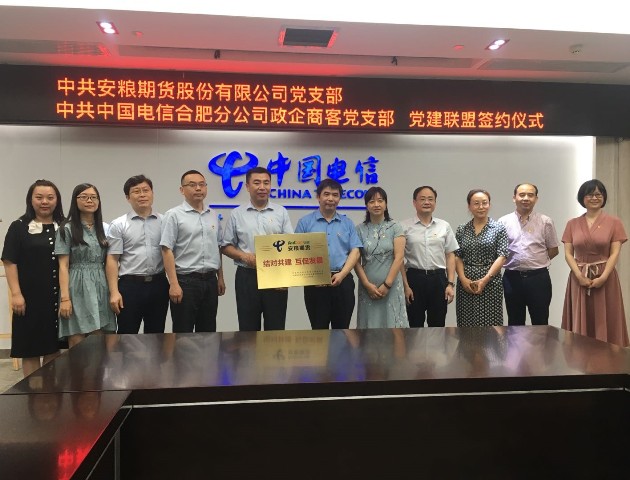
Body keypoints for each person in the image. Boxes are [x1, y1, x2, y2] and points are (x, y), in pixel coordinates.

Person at [2, 180, 65, 377]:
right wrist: (16, 294)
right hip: (29, 298)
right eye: (39, 197)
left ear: (57, 200)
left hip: (57, 298)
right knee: (30, 347)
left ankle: (51, 390)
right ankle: (32, 390)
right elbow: (9, 261)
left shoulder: (64, 226)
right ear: (30, 200)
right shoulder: (19, 227)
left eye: (50, 197)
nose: (44, 201)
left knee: (53, 346)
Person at [220, 167, 293, 331]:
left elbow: (290, 244)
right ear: (247, 186)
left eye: (266, 183)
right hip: (247, 276)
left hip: (276, 275)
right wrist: (243, 256)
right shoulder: (237, 214)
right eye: (257, 183)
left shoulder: (281, 212)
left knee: (275, 328)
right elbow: (225, 246)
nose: (262, 187)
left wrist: (286, 278)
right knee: (248, 329)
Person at [561, 179, 628, 346]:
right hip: (579, 277)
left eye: (598, 194)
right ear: (582, 198)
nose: (594, 198)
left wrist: (603, 277)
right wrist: (579, 276)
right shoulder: (572, 224)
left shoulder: (614, 222)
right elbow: (568, 254)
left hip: (606, 276)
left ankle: (609, 356)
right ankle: (580, 353)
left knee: (607, 314)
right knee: (580, 316)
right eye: (590, 194)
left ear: (604, 197)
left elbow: (615, 253)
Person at [160, 170, 225, 333]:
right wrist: (174, 284)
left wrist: (220, 278)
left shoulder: (213, 215)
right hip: (185, 282)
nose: (198, 188)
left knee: (208, 332)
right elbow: (166, 250)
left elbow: (217, 247)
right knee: (183, 334)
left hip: (210, 281)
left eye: (202, 184)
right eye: (192, 185)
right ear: (182, 190)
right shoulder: (173, 215)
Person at [295, 178, 362, 329]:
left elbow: (355, 251)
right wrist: (314, 276)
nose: (330, 198)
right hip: (315, 285)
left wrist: (342, 274)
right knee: (319, 331)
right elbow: (297, 253)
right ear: (318, 197)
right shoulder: (305, 222)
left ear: (339, 198)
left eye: (335, 195)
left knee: (342, 330)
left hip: (342, 281)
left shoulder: (347, 223)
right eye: (326, 194)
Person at [106, 175, 169, 334]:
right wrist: (114, 292)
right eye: (136, 191)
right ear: (128, 197)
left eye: (145, 190)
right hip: (130, 287)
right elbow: (112, 259)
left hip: (158, 284)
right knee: (126, 336)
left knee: (156, 335)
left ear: (152, 194)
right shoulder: (119, 224)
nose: (142, 195)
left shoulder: (165, 222)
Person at [55, 183, 117, 347]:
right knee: (77, 336)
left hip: (101, 283)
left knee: (100, 336)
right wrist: (65, 298)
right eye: (84, 197)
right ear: (75, 200)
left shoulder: (105, 228)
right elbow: (63, 266)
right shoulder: (66, 229)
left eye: (93, 197)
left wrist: (113, 291)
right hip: (76, 285)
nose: (89, 200)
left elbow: (111, 261)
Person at [499, 183, 559, 326]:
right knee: (515, 322)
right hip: (512, 278)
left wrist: (535, 261)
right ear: (514, 198)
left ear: (536, 199)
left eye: (530, 195)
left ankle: (541, 344)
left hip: (538, 278)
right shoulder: (503, 222)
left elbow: (553, 249)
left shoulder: (545, 221)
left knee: (540, 322)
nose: (526, 198)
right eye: (522, 195)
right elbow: (500, 251)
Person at [400, 186, 458, 327]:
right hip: (414, 279)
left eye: (430, 199)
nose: (427, 202)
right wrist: (405, 286)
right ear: (414, 202)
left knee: (437, 325)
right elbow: (399, 259)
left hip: (438, 279)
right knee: (414, 325)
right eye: (422, 199)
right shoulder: (403, 226)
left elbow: (450, 255)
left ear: (435, 203)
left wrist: (450, 284)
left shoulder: (444, 226)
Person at [354, 187, 408, 328]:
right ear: (366, 205)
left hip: (392, 287)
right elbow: (356, 261)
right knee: (369, 329)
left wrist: (387, 285)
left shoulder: (395, 227)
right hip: (368, 289)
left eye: (380, 200)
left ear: (386, 204)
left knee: (393, 326)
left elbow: (399, 257)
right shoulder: (359, 229)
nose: (376, 204)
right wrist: (366, 284)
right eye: (372, 201)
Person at [454, 189, 508, 327]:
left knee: (491, 325)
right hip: (466, 282)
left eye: (484, 203)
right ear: (469, 206)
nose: (481, 207)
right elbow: (457, 256)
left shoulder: (498, 228)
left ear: (489, 205)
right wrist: (463, 279)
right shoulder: (462, 229)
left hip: (491, 281)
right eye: (476, 203)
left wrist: (484, 280)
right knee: (466, 322)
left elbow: (502, 256)